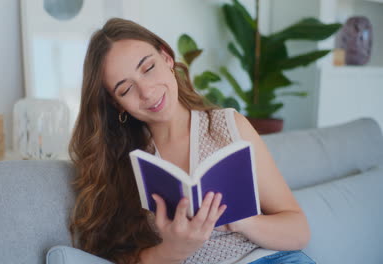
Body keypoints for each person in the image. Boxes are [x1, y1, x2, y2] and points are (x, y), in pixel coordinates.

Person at [67, 18, 314, 264]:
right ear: (115, 103)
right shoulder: (122, 165)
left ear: (166, 58)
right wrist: (174, 250)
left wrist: (240, 221)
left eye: (148, 68)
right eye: (125, 89)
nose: (147, 92)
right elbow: (118, 257)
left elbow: (298, 230)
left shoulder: (227, 127)